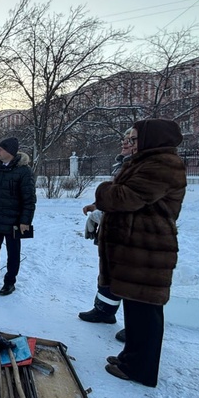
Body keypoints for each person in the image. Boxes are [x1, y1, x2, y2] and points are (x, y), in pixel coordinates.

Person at [94, 119, 187, 387]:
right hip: (135, 248)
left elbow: (125, 198)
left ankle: (140, 369)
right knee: (135, 308)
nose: (130, 144)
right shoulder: (145, 162)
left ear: (151, 139)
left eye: (134, 139)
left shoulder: (161, 165)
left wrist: (103, 191)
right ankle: (129, 358)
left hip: (148, 250)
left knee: (146, 311)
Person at [78, 128, 136, 326]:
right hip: (112, 230)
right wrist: (97, 207)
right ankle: (104, 311)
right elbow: (113, 195)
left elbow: (128, 201)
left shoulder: (140, 168)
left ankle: (136, 327)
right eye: (124, 139)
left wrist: (102, 209)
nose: (125, 143)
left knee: (129, 278)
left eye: (131, 140)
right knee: (109, 271)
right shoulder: (120, 165)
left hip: (129, 234)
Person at [0, 137, 36, 296]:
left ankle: (10, 282)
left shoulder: (23, 171)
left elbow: (29, 198)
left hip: (14, 221)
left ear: (9, 151)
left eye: (1, 149)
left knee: (13, 253)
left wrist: (25, 221)